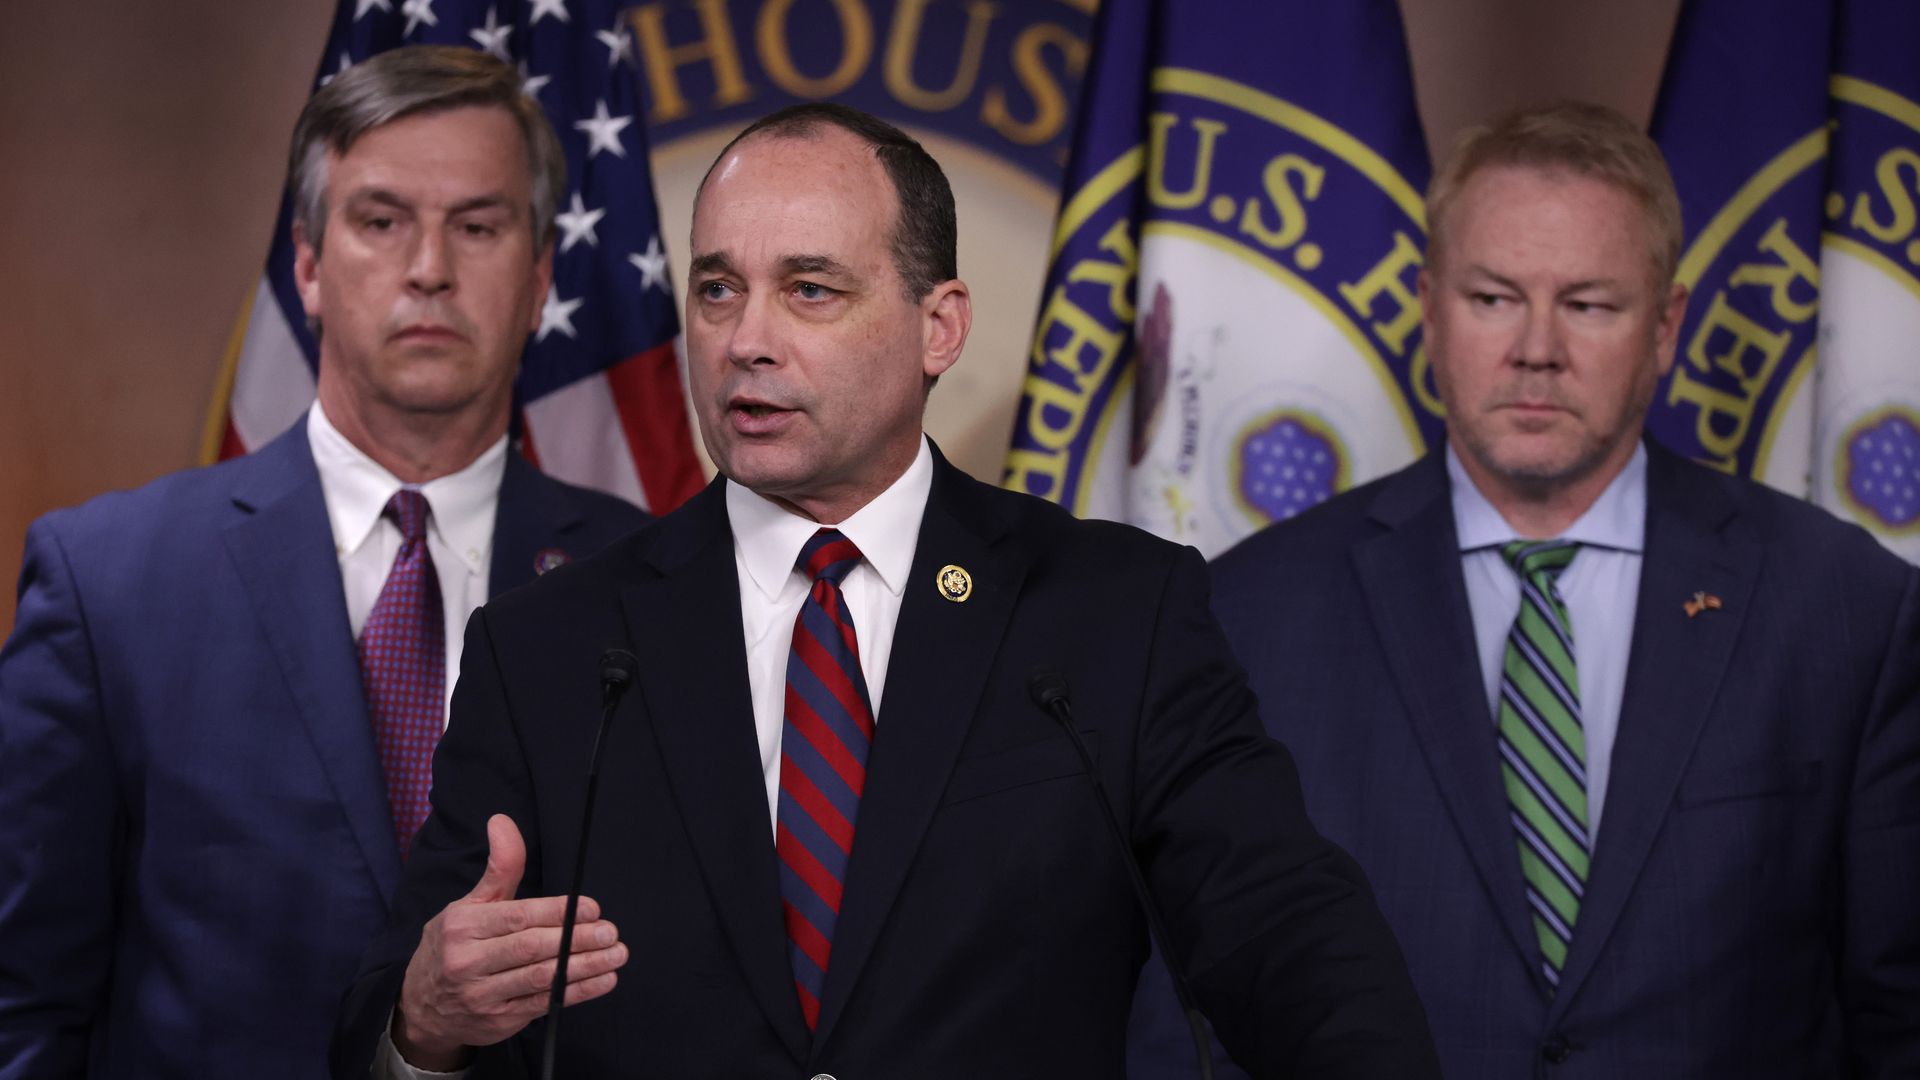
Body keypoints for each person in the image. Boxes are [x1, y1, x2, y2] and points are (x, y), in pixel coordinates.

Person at [332, 102, 1441, 1078]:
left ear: (939, 326)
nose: (746, 341)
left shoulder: (1111, 614)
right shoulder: (554, 647)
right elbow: (400, 1018)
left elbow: (1284, 934)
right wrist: (426, 1029)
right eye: (719, 291)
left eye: (810, 289)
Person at [1181, 101, 1919, 1077]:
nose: (1536, 348)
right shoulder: (1253, 615)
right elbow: (1190, 1019)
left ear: (1664, 328)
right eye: (1492, 298)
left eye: (1588, 304)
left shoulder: (1846, 609)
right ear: (1430, 308)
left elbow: (1900, 1018)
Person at [0, 46, 647, 1078]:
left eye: (476, 226)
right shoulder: (108, 584)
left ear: (537, 283)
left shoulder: (650, 579)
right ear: (306, 266)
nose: (428, 267)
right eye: (381, 221)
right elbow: (21, 1005)